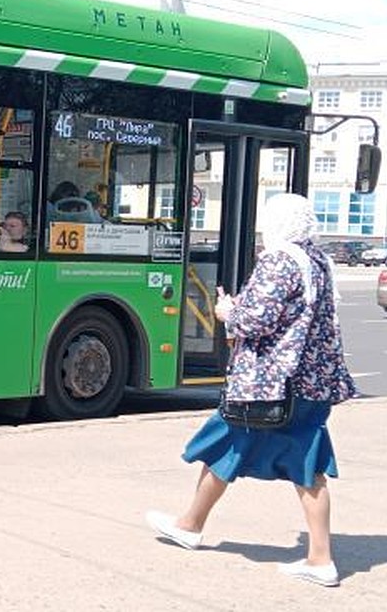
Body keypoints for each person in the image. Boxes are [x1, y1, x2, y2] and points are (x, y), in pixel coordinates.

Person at [145, 193, 358, 588]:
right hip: (309, 383)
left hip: (271, 384)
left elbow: (255, 319)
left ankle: (191, 526)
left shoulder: (280, 260)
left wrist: (228, 311)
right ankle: (318, 557)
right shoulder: (319, 261)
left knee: (226, 444)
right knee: (306, 465)